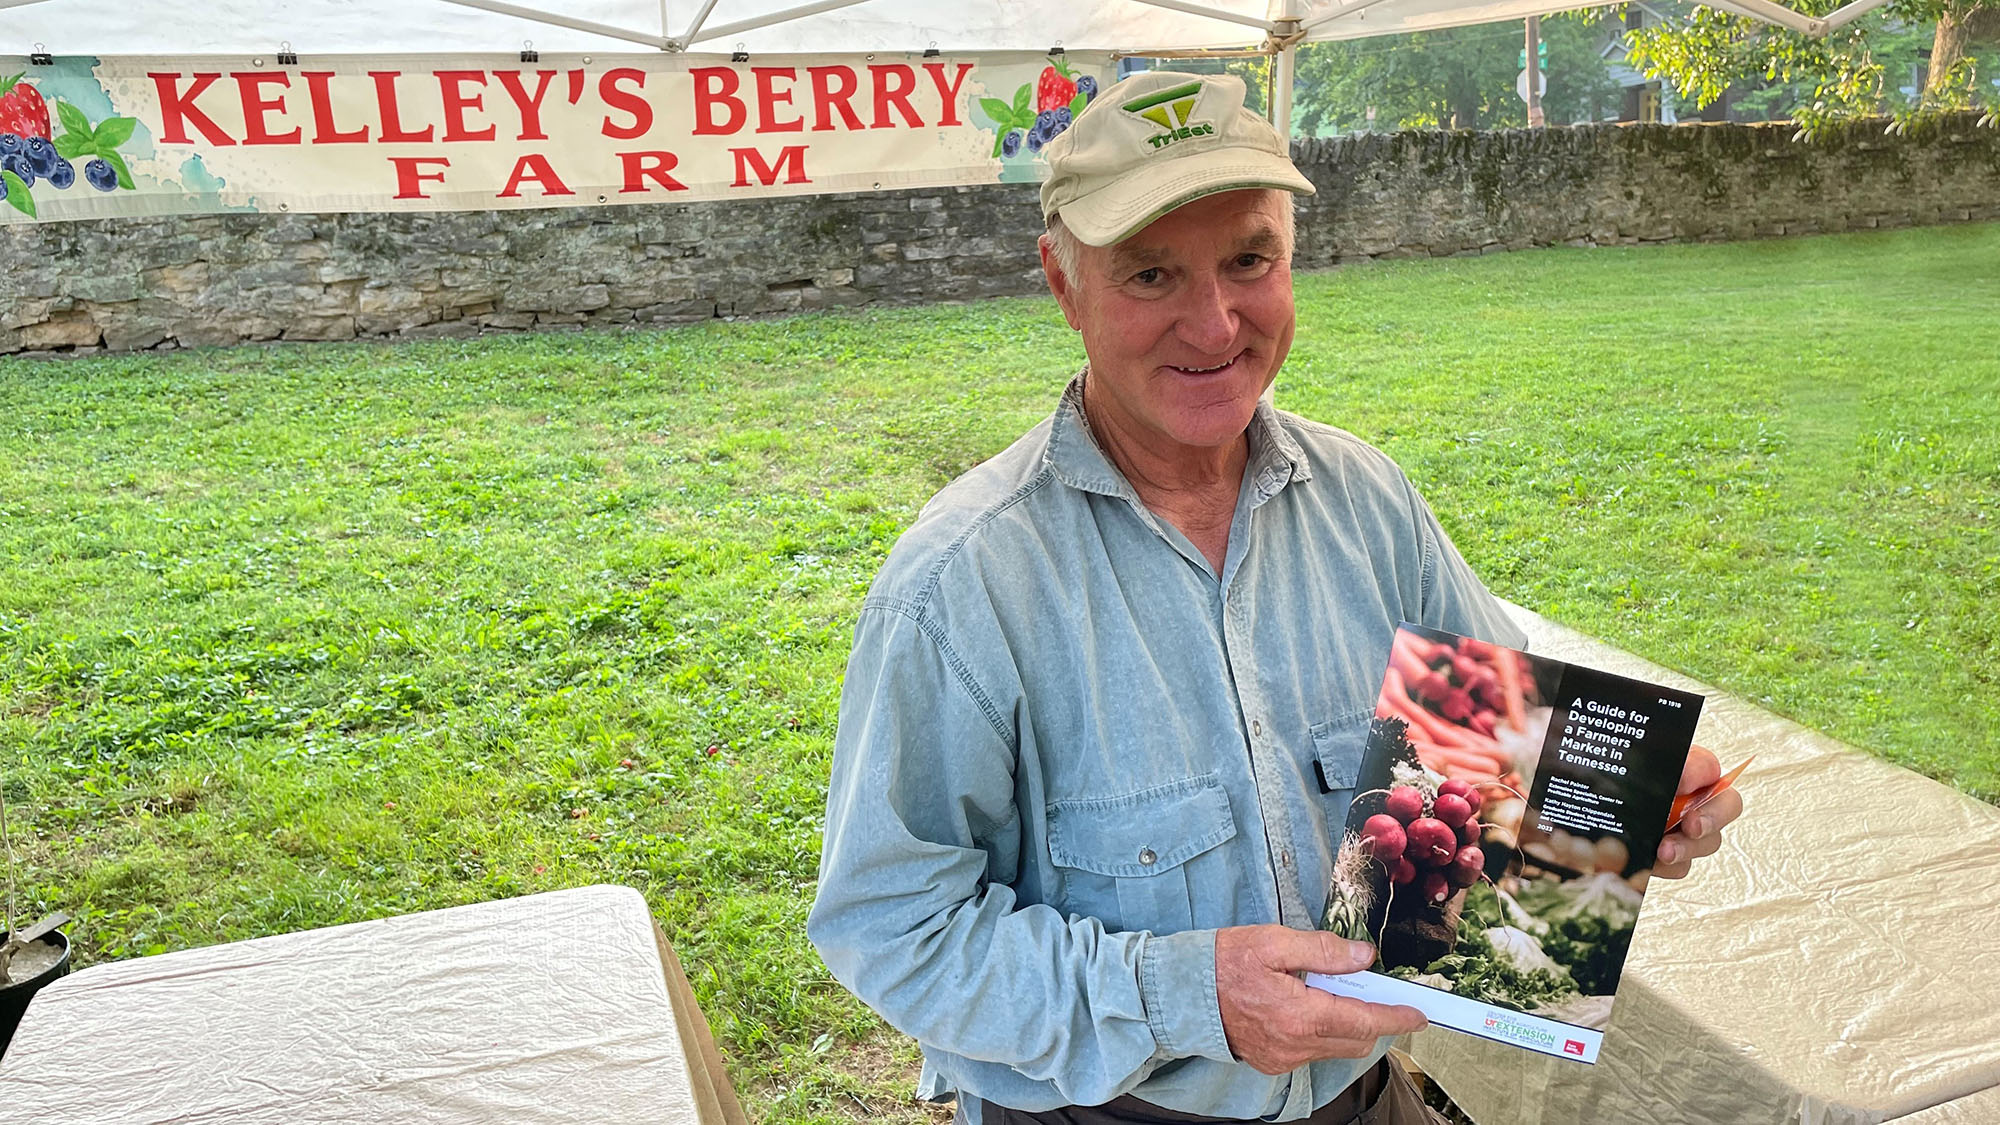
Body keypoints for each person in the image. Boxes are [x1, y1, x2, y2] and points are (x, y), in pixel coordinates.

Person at [807, 71, 1742, 1124]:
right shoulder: (965, 580)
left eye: (1248, 260)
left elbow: (1496, 767)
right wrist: (1181, 997)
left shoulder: (1367, 499)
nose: (1213, 327)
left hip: (1363, 1098)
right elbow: (889, 926)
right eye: (1150, 275)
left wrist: (1615, 804)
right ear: (1064, 288)